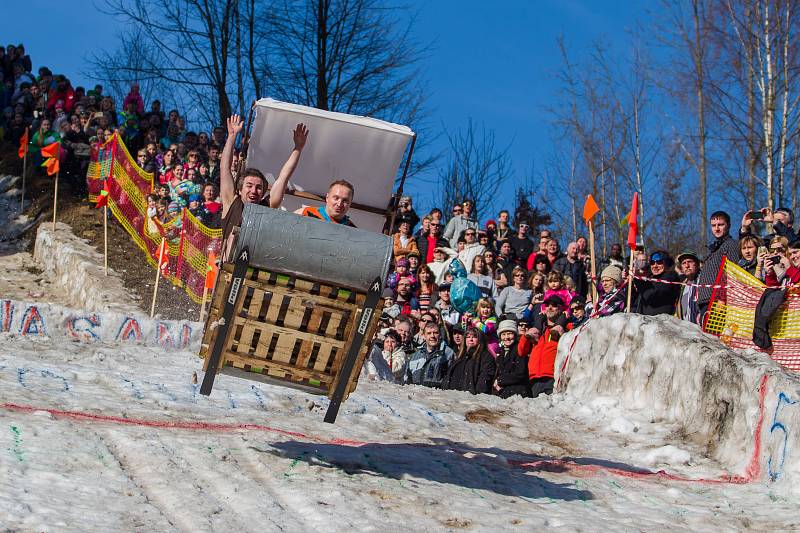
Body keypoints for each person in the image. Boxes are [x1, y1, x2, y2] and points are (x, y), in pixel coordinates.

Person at [220, 114, 309, 259]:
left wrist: (298, 148)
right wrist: (232, 136)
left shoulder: (266, 207)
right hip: (227, 264)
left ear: (263, 193)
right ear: (240, 189)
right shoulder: (231, 202)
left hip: (254, 265)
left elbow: (283, 177)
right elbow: (225, 168)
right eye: (249, 186)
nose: (254, 191)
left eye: (259, 187)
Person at [697, 211, 741, 322]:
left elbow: (732, 273)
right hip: (705, 301)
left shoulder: (730, 245)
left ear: (728, 225)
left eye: (720, 225)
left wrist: (723, 299)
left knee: (714, 338)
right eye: (713, 225)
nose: (716, 229)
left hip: (718, 301)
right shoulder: (715, 248)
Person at [403, 321, 454, 388]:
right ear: (424, 336)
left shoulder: (448, 353)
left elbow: (451, 380)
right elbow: (408, 379)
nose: (432, 336)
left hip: (437, 396)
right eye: (429, 333)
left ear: (440, 335)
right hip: (416, 395)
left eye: (435, 333)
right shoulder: (415, 354)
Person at [633, 250, 681, 316]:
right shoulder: (649, 277)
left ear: (666, 263)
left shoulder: (671, 276)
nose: (655, 266)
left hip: (662, 321)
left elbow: (650, 295)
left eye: (659, 262)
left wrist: (637, 279)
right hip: (645, 319)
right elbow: (634, 300)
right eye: (652, 263)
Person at [493, 320, 531, 399]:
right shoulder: (500, 355)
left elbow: (520, 374)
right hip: (505, 394)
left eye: (509, 334)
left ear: (515, 334)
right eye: (503, 334)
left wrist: (500, 381)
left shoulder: (520, 350)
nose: (506, 337)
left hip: (519, 396)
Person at [528, 327, 561, 398]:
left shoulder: (555, 337)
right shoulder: (535, 341)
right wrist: (526, 335)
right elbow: (521, 351)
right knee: (537, 405)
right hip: (535, 378)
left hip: (550, 377)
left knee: (551, 403)